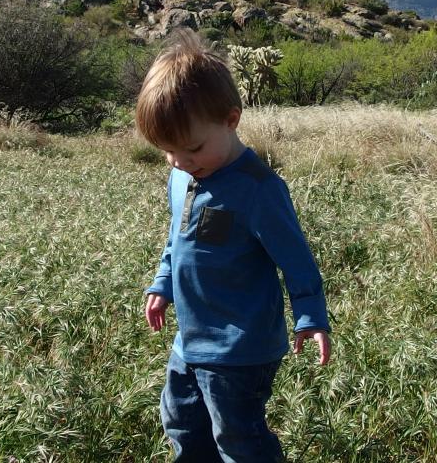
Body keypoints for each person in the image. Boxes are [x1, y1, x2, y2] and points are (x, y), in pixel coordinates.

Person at [135, 30, 331, 462]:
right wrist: (163, 282)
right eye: (166, 152)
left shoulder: (258, 188)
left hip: (239, 348)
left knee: (239, 439)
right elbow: (178, 236)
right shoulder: (184, 175)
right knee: (182, 424)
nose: (180, 163)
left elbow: (296, 259)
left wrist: (311, 315)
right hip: (190, 338)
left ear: (231, 119)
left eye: (191, 149)